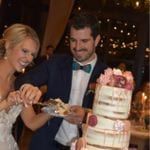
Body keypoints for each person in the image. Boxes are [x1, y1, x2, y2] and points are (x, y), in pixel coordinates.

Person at [15, 12, 108, 150]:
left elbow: (111, 121)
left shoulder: (107, 75)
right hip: (47, 144)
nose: (77, 47)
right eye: (72, 40)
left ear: (97, 40)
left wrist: (86, 116)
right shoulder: (55, 63)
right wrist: (29, 87)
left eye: (84, 41)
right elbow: (22, 79)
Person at [0, 23, 53, 150]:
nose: (29, 58)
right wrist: (6, 103)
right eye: (25, 51)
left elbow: (31, 122)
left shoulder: (18, 83)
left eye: (32, 55)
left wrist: (54, 110)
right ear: (8, 46)